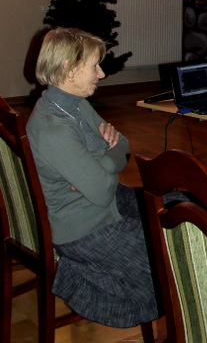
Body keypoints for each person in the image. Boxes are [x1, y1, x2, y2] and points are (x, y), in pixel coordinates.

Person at [26, 27, 160, 328]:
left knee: (178, 208)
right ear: (69, 70)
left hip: (107, 204)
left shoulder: (76, 104)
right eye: (94, 66)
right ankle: (78, 277)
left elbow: (123, 145)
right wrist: (105, 160)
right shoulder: (53, 128)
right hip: (85, 229)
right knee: (173, 255)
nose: (101, 74)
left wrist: (99, 164)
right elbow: (100, 191)